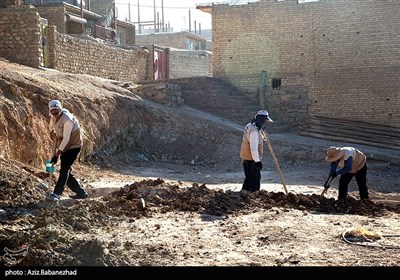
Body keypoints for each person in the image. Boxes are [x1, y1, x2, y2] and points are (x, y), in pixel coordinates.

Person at [46, 100, 88, 202]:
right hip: (64, 146)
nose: (54, 113)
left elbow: (66, 139)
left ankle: (56, 194)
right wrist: (52, 132)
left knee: (64, 170)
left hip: (74, 146)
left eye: (56, 110)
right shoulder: (53, 117)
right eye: (52, 111)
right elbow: (51, 127)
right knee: (66, 170)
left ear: (60, 109)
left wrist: (56, 155)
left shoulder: (67, 119)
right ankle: (81, 193)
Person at [240, 110, 274, 192]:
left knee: (249, 178)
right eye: (265, 121)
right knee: (254, 179)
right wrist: (257, 162)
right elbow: (253, 148)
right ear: (261, 120)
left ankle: (243, 193)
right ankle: (254, 196)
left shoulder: (250, 125)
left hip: (246, 157)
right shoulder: (254, 132)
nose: (265, 123)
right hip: (251, 159)